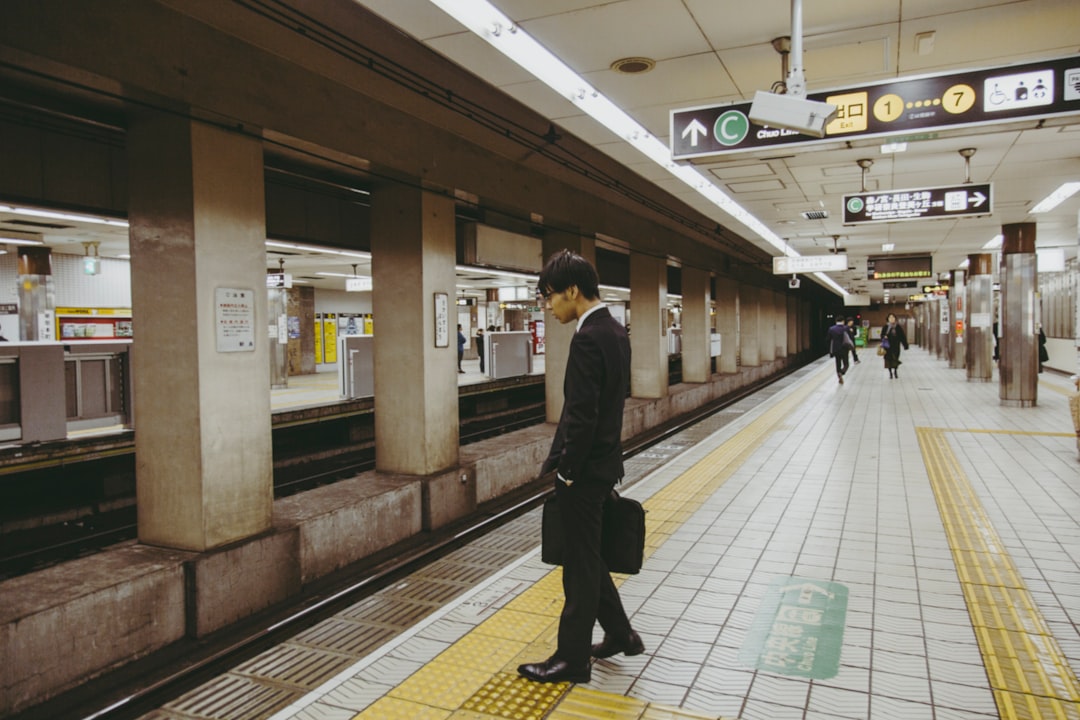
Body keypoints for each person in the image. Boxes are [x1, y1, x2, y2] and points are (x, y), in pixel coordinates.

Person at [517, 249, 641, 685]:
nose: (548, 307)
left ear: (572, 291)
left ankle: (571, 659)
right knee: (588, 556)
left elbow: (582, 414)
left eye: (549, 297)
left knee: (578, 564)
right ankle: (620, 632)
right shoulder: (615, 330)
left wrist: (567, 471)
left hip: (585, 472)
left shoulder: (589, 337)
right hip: (605, 464)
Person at [881, 313, 909, 379]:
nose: (891, 319)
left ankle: (895, 371)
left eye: (893, 317)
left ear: (895, 319)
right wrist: (884, 336)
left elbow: (902, 336)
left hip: (896, 346)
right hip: (888, 346)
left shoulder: (898, 327)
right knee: (888, 359)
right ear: (888, 319)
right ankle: (890, 372)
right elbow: (882, 335)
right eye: (890, 318)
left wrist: (905, 345)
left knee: (895, 359)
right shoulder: (885, 327)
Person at [826, 317, 852, 384]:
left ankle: (839, 376)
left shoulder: (831, 329)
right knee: (846, 364)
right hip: (845, 348)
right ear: (843, 321)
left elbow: (828, 339)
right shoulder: (846, 328)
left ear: (836, 321)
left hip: (836, 349)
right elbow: (850, 337)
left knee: (838, 363)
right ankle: (842, 372)